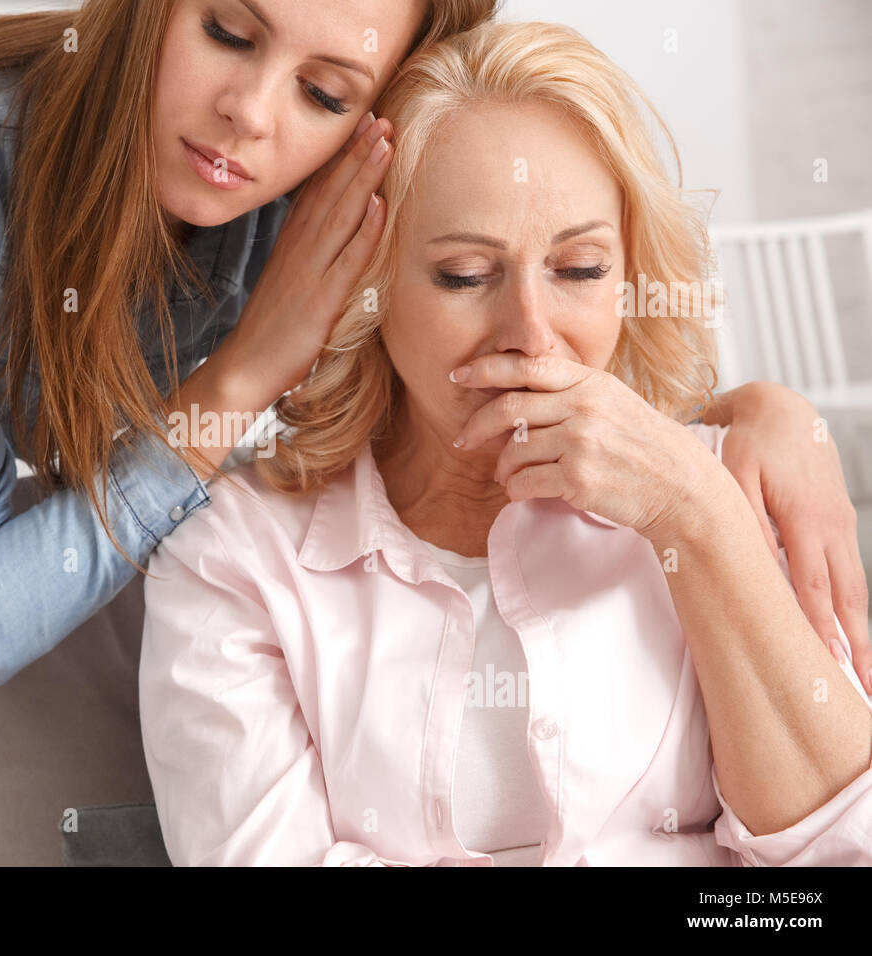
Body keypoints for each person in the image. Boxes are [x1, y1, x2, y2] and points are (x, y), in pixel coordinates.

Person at [0, 1, 865, 694]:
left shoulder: (325, 195)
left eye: (324, 90)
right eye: (230, 33)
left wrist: (760, 413)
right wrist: (245, 369)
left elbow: (530, 330)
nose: (248, 117)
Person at [138, 19, 872, 866]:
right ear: (366, 290)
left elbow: (838, 855)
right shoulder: (232, 555)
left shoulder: (729, 485)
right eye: (464, 276)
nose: (531, 333)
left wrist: (698, 516)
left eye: (580, 269)